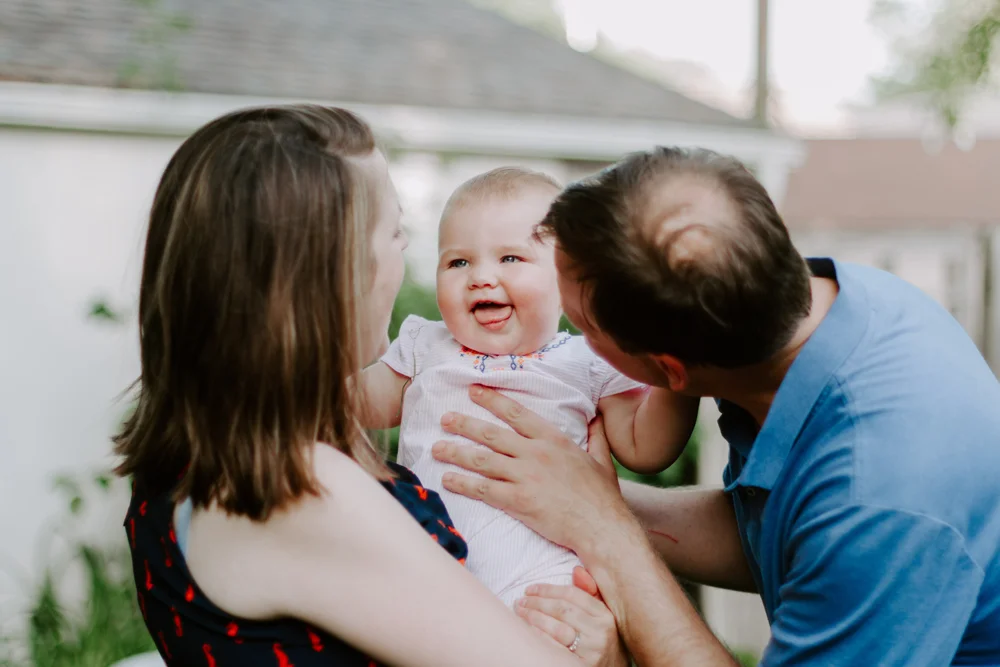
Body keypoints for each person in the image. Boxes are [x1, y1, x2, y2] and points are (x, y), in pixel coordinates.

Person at [432, 146, 1000, 665]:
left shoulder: (883, 497)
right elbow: (784, 529)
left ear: (667, 373)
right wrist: (572, 497)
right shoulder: (829, 306)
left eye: (578, 331)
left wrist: (608, 531)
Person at [113, 105, 626, 667]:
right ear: (330, 274)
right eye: (394, 230)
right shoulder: (299, 487)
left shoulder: (193, 461)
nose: (404, 252)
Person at [358, 166, 697, 607]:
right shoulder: (426, 346)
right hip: (428, 584)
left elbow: (646, 448)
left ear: (567, 278)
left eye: (510, 258)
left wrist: (682, 375)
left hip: (543, 595)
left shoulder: (589, 361)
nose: (480, 276)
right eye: (458, 261)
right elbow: (345, 402)